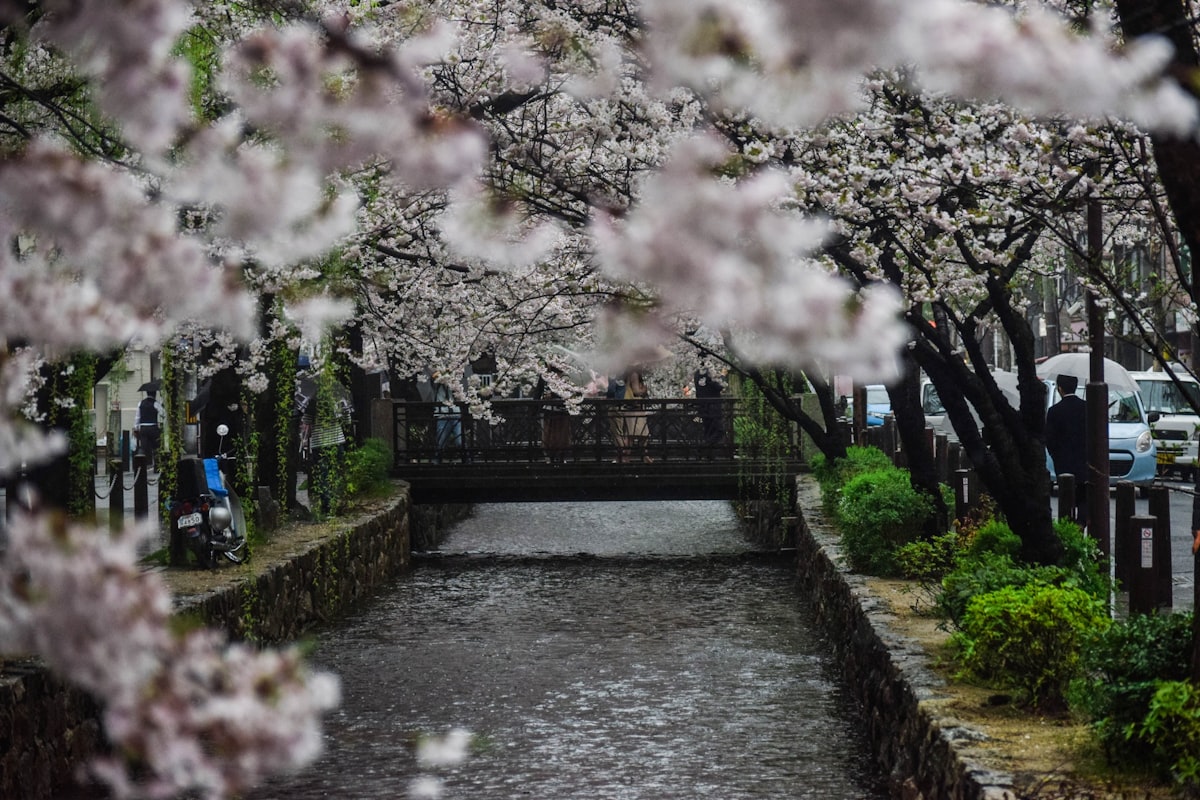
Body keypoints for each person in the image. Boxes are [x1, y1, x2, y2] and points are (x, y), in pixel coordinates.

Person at [1045, 373, 1089, 527]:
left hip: (1063, 461)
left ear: (1060, 389)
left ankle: (1068, 527)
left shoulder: (1054, 411)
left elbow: (1049, 439)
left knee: (1066, 496)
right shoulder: (1087, 408)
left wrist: (1055, 454)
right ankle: (1081, 523)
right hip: (1084, 460)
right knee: (1084, 496)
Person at [607, 368, 652, 463]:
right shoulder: (634, 373)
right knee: (635, 434)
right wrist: (644, 389)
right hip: (633, 406)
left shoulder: (623, 373)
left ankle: (625, 457)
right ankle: (626, 457)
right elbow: (636, 391)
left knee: (627, 434)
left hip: (625, 406)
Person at [694, 367, 726, 456]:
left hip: (703, 406)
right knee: (719, 431)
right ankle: (703, 447)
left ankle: (708, 455)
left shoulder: (697, 373)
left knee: (708, 431)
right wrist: (723, 376)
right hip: (713, 407)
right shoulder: (710, 372)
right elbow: (719, 386)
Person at [135, 389, 161, 470]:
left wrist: (136, 427)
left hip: (143, 428)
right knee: (156, 447)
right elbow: (163, 413)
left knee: (144, 447)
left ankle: (143, 466)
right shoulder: (156, 403)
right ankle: (157, 466)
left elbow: (137, 417)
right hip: (153, 427)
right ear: (155, 394)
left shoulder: (140, 403)